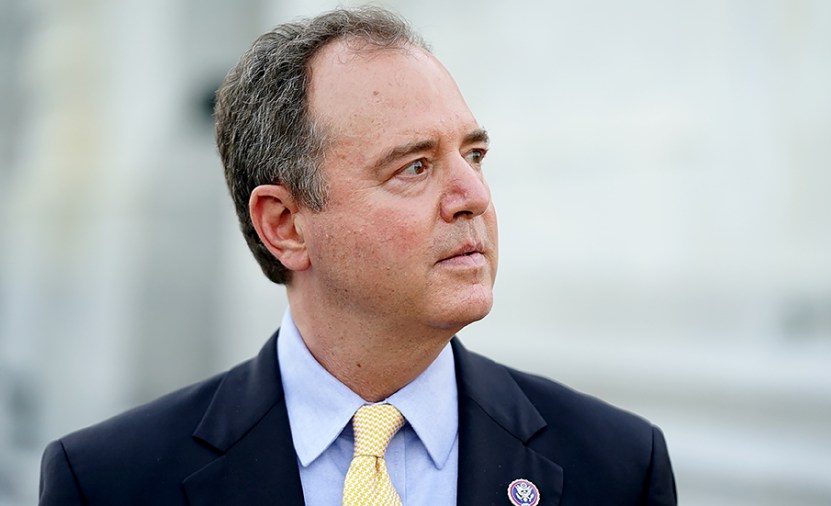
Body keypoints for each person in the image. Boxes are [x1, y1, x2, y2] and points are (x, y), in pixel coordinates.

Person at [39, 7, 676, 505]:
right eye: (416, 166)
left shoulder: (616, 465)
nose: (474, 196)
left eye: (474, 156)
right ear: (285, 225)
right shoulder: (107, 483)